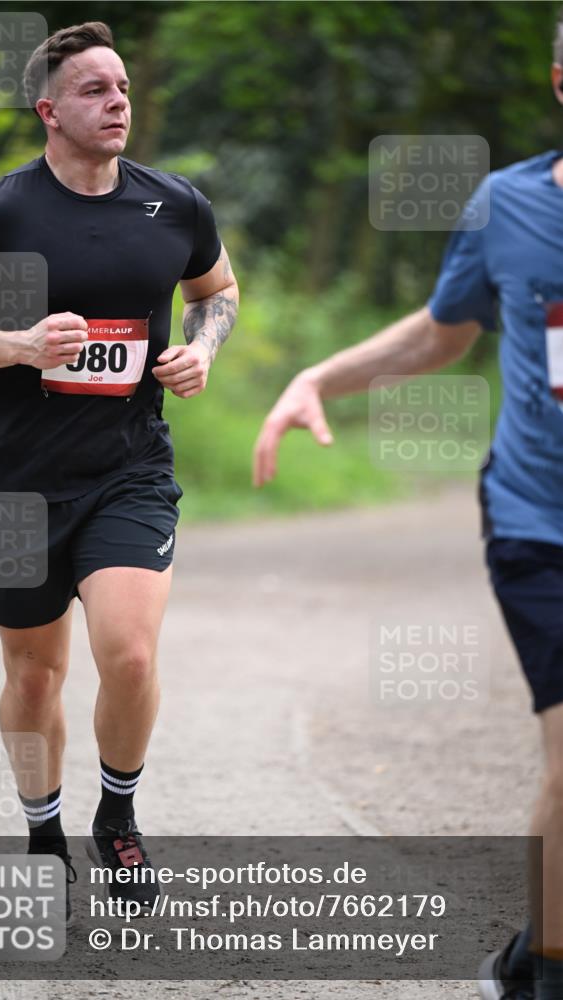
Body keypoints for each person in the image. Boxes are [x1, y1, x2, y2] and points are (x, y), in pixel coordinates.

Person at [253, 11, 563, 1000]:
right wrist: (318, 377)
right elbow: (439, 333)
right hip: (539, 521)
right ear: (560, 82)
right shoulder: (506, 205)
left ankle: (528, 951)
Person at [0, 21, 239, 918]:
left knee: (128, 654)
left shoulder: (174, 205)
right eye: (95, 89)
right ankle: (42, 830)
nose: (117, 101)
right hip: (17, 477)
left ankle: (117, 816)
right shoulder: (1, 211)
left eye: (122, 86)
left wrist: (203, 350)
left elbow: (216, 292)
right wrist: (19, 344)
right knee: (33, 675)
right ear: (49, 111)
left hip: (130, 467)